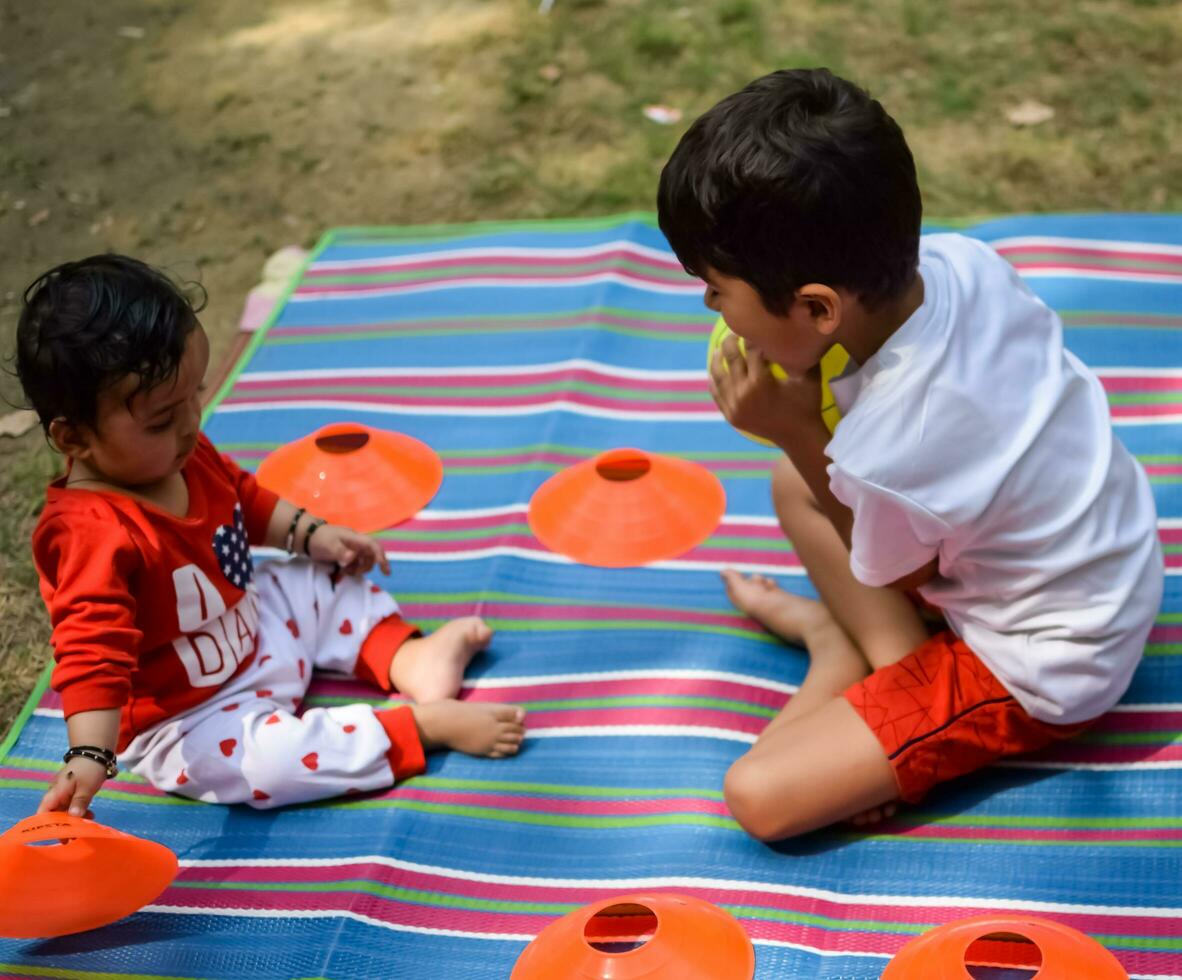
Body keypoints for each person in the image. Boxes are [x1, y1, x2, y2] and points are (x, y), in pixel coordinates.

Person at [657, 68, 1163, 841]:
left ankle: (847, 651)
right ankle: (892, 661)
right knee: (795, 483)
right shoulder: (962, 262)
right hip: (1106, 562)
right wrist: (805, 436)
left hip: (1046, 663)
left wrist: (795, 427)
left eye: (716, 291)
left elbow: (906, 572)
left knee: (759, 794)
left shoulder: (893, 447)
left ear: (819, 308)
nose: (710, 309)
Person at [13, 254, 526, 816]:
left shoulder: (180, 454)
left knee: (317, 574)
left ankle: (407, 657)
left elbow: (243, 496)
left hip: (258, 625)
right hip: (194, 718)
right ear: (73, 437)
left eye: (195, 396)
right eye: (162, 419)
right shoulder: (89, 534)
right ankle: (415, 727)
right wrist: (89, 753)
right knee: (270, 765)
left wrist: (312, 534)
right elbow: (93, 653)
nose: (191, 424)